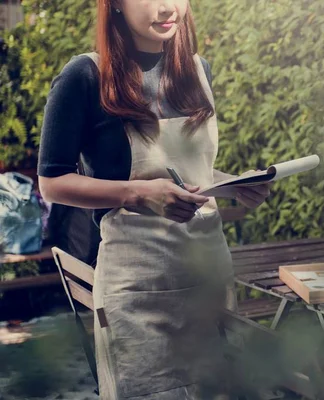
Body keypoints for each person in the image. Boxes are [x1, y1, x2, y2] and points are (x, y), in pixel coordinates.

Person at [37, 0, 270, 398]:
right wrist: (136, 193)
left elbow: (187, 169)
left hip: (209, 278)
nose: (166, 7)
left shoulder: (198, 70)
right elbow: (52, 182)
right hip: (138, 288)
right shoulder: (85, 75)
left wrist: (232, 183)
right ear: (113, 6)